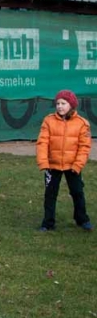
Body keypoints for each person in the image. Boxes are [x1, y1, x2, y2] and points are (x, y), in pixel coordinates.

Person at [36, 90, 92, 232]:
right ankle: (48, 223)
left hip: (72, 165)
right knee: (50, 194)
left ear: (71, 105)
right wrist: (43, 162)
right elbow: (42, 143)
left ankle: (82, 219)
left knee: (77, 192)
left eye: (63, 103)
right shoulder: (48, 121)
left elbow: (84, 147)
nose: (60, 106)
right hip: (52, 165)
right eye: (58, 103)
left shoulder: (82, 123)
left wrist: (78, 165)